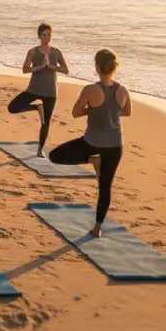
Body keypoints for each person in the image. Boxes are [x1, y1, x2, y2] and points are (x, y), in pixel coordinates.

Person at [49, 50, 131, 237]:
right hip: (115, 145)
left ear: (97, 67)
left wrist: (92, 110)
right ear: (114, 67)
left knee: (55, 156)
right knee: (105, 186)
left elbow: (75, 113)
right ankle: (97, 228)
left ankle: (93, 160)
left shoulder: (90, 90)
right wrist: (110, 113)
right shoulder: (123, 90)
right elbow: (127, 112)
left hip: (92, 143)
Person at [8, 23, 69, 157]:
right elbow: (25, 69)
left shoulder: (56, 52)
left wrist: (52, 67)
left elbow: (66, 70)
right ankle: (36, 107)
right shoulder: (33, 52)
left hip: (50, 92)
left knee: (45, 123)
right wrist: (40, 67)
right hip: (34, 89)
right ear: (39, 36)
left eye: (49, 35)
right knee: (12, 108)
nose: (47, 38)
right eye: (44, 35)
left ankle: (40, 150)